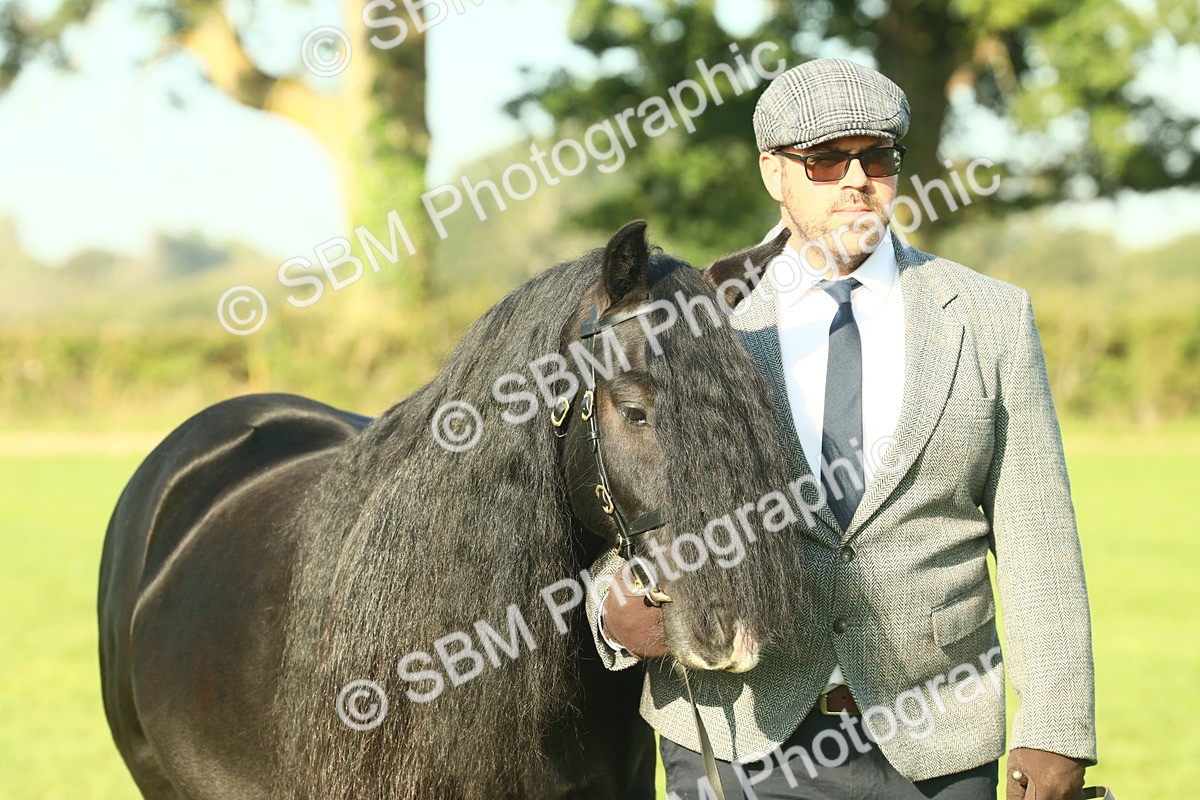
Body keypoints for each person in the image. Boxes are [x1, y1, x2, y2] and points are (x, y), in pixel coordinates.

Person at [585, 58, 1097, 800]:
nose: (855, 179)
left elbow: (1038, 536)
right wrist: (611, 601)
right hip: (735, 735)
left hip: (938, 744)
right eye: (824, 159)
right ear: (774, 173)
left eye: (877, 157)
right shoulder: (698, 323)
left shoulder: (991, 319)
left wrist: (1057, 726)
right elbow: (617, 495)